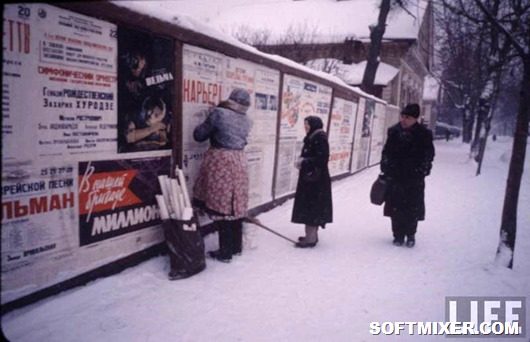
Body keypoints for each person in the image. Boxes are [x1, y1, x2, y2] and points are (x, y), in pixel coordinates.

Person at [192, 88, 252, 263]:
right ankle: (236, 247)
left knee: (222, 207)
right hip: (239, 160)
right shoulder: (248, 120)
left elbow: (199, 135)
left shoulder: (219, 113)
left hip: (221, 160)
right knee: (234, 205)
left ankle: (225, 252)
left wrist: (208, 117)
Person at [380, 103, 435, 248]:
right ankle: (397, 235)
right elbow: (386, 152)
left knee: (412, 207)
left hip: (414, 178)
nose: (404, 120)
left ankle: (410, 234)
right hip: (396, 176)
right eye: (403, 116)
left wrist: (423, 170)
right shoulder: (394, 132)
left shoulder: (424, 134)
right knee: (395, 207)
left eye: (408, 117)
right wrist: (386, 167)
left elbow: (429, 155)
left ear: (415, 119)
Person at [292, 116, 333, 248]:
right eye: (305, 125)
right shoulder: (314, 136)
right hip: (313, 179)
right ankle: (312, 236)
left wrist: (304, 161)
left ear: (314, 125)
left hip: (315, 181)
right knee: (311, 208)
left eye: (307, 125)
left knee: (311, 208)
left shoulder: (319, 138)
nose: (306, 127)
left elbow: (322, 158)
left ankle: (310, 239)